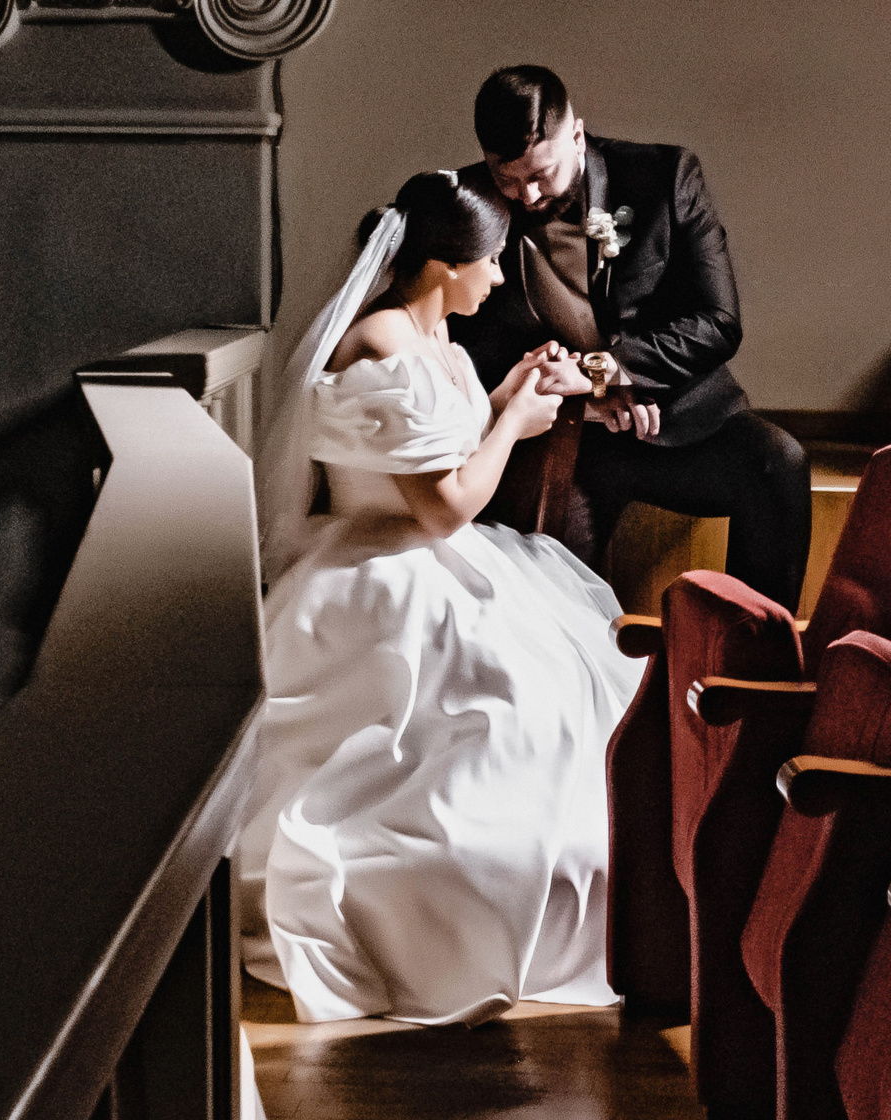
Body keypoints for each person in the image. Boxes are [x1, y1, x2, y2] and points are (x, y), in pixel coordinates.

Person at [239, 169, 646, 1026]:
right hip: (385, 575)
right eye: (491, 261)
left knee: (558, 704)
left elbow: (441, 450)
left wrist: (509, 393)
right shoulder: (380, 345)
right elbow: (443, 504)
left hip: (438, 558)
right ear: (444, 264)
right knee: (491, 718)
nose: (498, 277)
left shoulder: (438, 341)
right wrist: (514, 423)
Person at [450, 65, 812, 612]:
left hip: (670, 418)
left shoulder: (664, 176)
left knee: (778, 463)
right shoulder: (469, 203)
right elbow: (463, 343)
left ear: (577, 135)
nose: (527, 195)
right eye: (508, 179)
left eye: (542, 175)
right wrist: (577, 397)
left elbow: (718, 321)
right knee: (552, 602)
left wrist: (603, 371)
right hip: (561, 439)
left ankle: (748, 655)